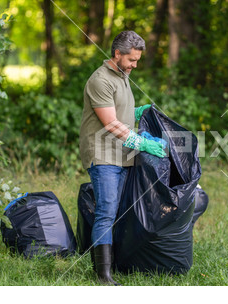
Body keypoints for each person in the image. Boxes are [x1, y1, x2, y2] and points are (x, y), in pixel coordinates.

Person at [79, 31, 166, 285]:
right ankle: (103, 276)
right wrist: (142, 143)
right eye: (132, 60)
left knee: (117, 211)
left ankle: (113, 264)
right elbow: (111, 123)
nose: (135, 65)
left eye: (137, 60)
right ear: (117, 54)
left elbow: (121, 112)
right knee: (106, 210)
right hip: (103, 153)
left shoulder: (123, 75)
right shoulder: (100, 80)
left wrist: (141, 112)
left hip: (122, 153)